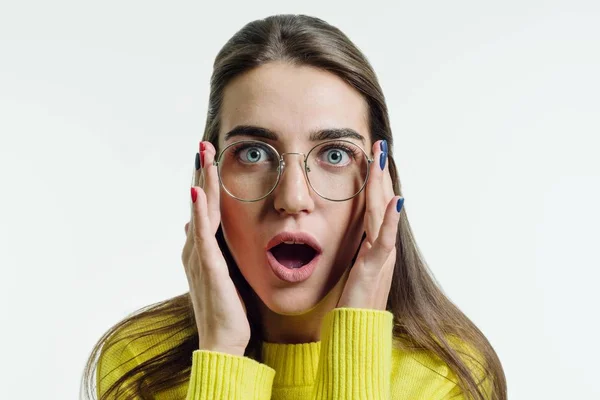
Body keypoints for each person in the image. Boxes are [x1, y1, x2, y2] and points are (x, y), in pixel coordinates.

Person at [82, 14, 506, 400]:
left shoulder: (450, 376)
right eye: (252, 154)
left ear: (382, 182)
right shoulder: (140, 365)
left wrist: (357, 340)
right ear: (206, 175)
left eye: (335, 154)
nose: (292, 199)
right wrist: (223, 351)